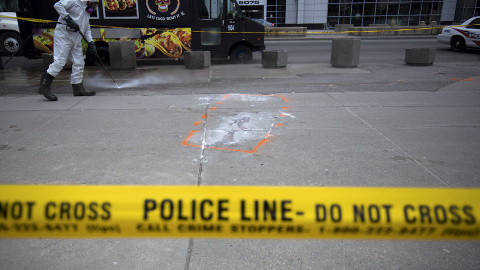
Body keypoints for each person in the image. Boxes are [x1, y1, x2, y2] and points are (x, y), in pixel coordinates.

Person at [38, 0, 98, 101]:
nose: (93, 7)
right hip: (64, 36)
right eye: (93, 3)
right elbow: (58, 5)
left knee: (79, 62)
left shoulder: (86, 12)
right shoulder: (74, 1)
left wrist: (91, 42)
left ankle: (78, 88)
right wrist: (67, 18)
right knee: (60, 61)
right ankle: (44, 86)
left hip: (76, 39)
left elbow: (86, 28)